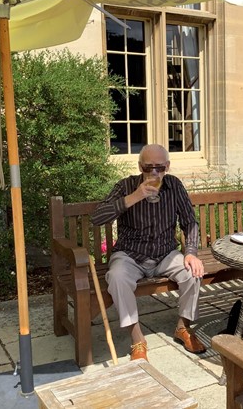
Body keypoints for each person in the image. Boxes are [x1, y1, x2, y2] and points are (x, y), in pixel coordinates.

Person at [91, 144, 206, 361]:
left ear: (167, 167)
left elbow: (190, 221)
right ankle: (137, 340)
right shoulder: (126, 186)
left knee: (192, 272)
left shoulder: (174, 186)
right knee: (116, 278)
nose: (154, 173)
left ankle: (183, 327)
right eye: (148, 168)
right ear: (140, 166)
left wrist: (190, 252)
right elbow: (96, 218)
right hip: (130, 254)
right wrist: (133, 197)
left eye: (160, 168)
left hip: (165, 254)